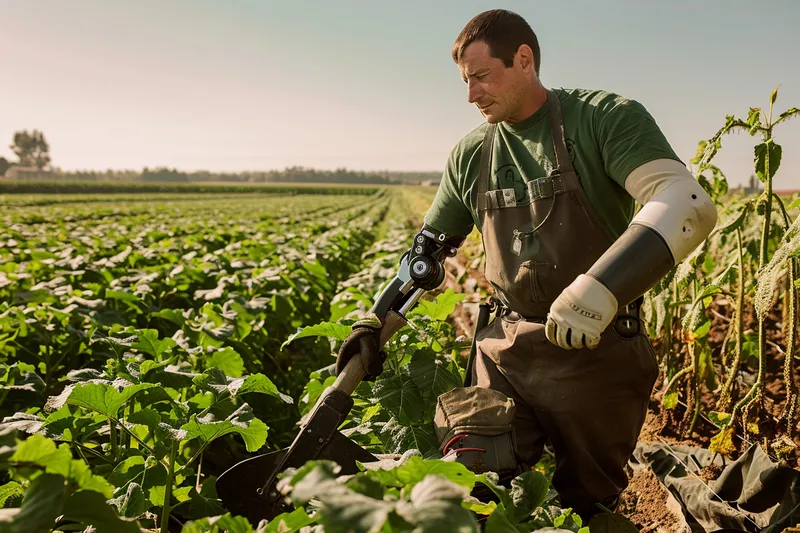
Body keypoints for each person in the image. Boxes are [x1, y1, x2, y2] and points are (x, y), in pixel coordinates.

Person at [335, 8, 718, 520]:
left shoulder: (603, 119)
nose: (471, 94)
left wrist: (599, 290)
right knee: (471, 485)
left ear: (523, 60)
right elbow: (425, 257)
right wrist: (375, 323)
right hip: (507, 352)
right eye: (465, 82)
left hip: (596, 353)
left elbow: (685, 203)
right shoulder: (471, 155)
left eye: (481, 77)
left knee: (589, 504)